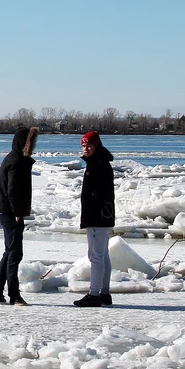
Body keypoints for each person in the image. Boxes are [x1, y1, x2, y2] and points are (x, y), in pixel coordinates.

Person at [0, 126, 38, 306]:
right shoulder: (17, 161)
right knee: (15, 253)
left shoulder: (16, 158)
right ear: (23, 143)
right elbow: (12, 190)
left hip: (8, 210)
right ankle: (13, 294)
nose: (33, 146)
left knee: (10, 251)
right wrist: (18, 212)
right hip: (10, 212)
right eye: (30, 142)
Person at [73, 131, 115, 308]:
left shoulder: (99, 164)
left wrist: (93, 208)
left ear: (96, 145)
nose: (86, 149)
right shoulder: (97, 162)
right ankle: (104, 293)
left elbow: (100, 192)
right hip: (99, 216)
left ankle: (95, 294)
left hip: (98, 216)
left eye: (89, 145)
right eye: (83, 146)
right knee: (102, 255)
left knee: (96, 256)